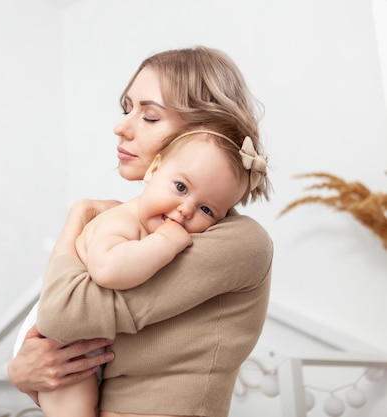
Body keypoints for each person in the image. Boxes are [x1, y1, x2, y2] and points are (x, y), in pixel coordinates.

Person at [7, 46, 273, 417]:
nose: (121, 126)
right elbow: (78, 349)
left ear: (202, 129)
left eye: (149, 116)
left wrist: (77, 219)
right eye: (126, 108)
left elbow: (61, 313)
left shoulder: (240, 241)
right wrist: (22, 372)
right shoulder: (142, 228)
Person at [37, 128, 269, 417]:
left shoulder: (241, 242)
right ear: (155, 169)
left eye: (207, 210)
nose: (185, 210)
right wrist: (163, 244)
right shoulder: (120, 220)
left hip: (88, 346)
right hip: (68, 347)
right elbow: (108, 270)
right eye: (181, 188)